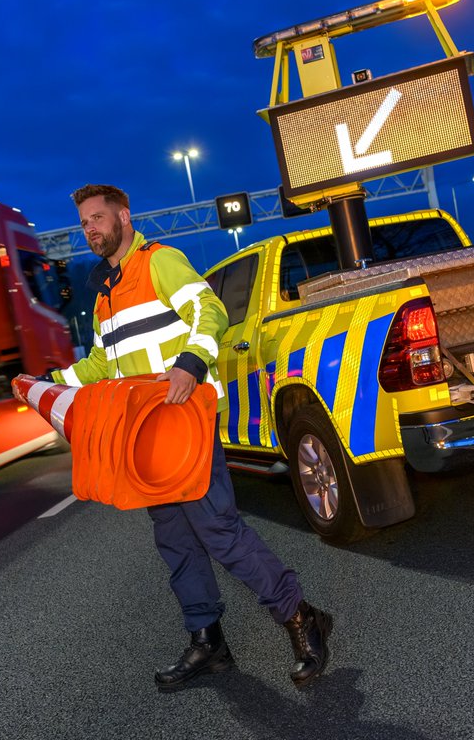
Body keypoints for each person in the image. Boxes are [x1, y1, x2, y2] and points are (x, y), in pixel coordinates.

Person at [44, 183, 333, 690]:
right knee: (176, 542)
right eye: (84, 223)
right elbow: (98, 365)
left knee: (218, 531)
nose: (90, 228)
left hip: (186, 428)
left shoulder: (160, 261)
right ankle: (208, 643)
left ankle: (300, 618)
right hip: (148, 441)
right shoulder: (104, 295)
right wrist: (51, 385)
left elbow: (210, 311)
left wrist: (190, 364)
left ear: (124, 217)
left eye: (97, 218)